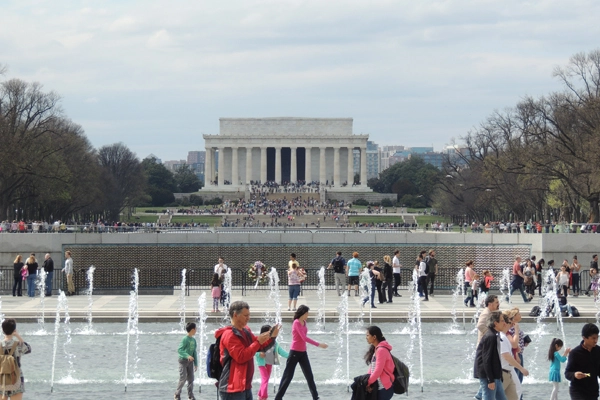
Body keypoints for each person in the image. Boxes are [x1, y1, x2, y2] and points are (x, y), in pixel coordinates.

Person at [215, 301, 280, 400]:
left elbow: (259, 347)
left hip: (245, 386)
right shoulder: (229, 335)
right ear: (235, 315)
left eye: (249, 315)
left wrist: (272, 337)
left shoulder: (246, 330)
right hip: (232, 388)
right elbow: (241, 357)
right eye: (245, 315)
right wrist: (258, 342)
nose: (248, 318)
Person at [274, 305, 328, 400]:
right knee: (288, 376)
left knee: (309, 376)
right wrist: (319, 344)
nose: (308, 315)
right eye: (307, 313)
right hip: (294, 352)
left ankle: (315, 397)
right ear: (303, 313)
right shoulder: (296, 323)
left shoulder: (304, 322)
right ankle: (278, 398)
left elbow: (304, 338)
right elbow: (304, 338)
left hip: (303, 353)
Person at [474, 310, 507, 400]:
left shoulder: (495, 335)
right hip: (488, 375)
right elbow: (486, 359)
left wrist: (499, 375)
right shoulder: (490, 336)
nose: (505, 323)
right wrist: (490, 380)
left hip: (495, 375)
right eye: (502, 321)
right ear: (496, 323)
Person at [565, 323, 600, 400]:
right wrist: (574, 375)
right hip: (578, 392)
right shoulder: (575, 353)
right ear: (584, 338)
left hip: (593, 391)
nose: (596, 341)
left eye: (597, 337)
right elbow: (567, 373)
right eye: (593, 338)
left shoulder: (598, 351)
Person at [499, 312, 529, 400]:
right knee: (496, 395)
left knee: (517, 391)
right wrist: (521, 368)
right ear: (504, 324)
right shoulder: (503, 337)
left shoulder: (504, 336)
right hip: (503, 370)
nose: (512, 324)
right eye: (510, 323)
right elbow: (506, 356)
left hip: (509, 369)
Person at [256, 325, 289, 400]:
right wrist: (259, 353)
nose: (271, 332)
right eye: (270, 331)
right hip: (261, 364)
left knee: (266, 379)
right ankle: (264, 397)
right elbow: (253, 351)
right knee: (265, 379)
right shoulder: (259, 340)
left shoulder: (273, 342)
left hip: (269, 363)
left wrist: (292, 356)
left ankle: (260, 396)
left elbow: (280, 351)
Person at [1, 318, 31, 400]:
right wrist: (18, 336)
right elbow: (28, 349)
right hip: (16, 378)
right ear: (14, 330)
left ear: (3, 330)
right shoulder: (18, 345)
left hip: (1, 379)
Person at [363, 326, 395, 400]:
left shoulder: (381, 350)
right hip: (378, 387)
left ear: (374, 337)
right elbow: (372, 368)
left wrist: (368, 382)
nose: (366, 337)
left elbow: (378, 370)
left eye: (367, 335)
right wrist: (368, 381)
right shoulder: (377, 349)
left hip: (384, 388)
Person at [174, 322, 198, 400]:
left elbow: (194, 352)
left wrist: (196, 363)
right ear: (192, 330)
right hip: (183, 361)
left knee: (191, 378)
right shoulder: (185, 339)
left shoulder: (194, 340)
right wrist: (187, 356)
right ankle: (177, 394)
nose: (196, 330)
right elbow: (180, 350)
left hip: (190, 362)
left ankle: (190, 395)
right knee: (183, 377)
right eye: (195, 329)